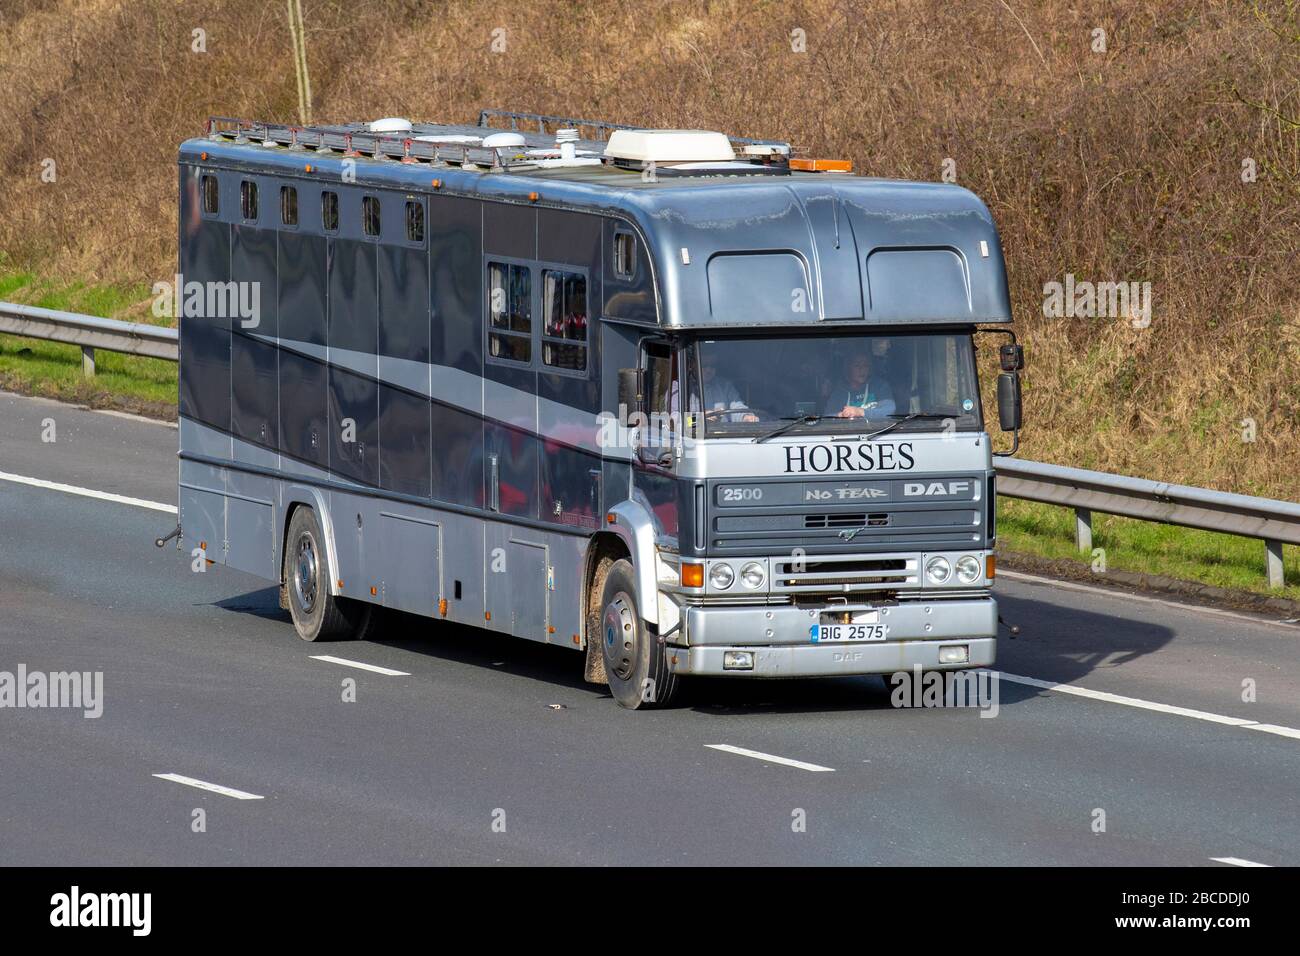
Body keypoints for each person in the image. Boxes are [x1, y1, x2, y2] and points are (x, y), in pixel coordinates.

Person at [825, 350, 896, 419]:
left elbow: (889, 411)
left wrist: (861, 412)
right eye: (857, 365)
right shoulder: (839, 393)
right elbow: (828, 417)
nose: (861, 369)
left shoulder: (880, 386)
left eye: (865, 365)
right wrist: (841, 415)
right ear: (848, 368)